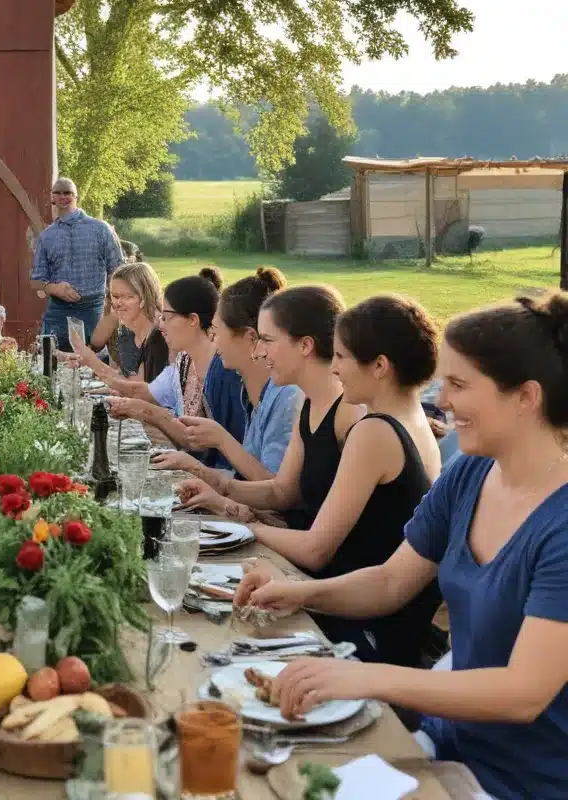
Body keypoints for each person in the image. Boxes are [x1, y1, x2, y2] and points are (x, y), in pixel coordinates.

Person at [235, 292, 568, 800]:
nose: (442, 401)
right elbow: (391, 581)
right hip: (446, 741)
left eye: (458, 385)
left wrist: (368, 679)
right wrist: (298, 592)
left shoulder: (561, 523)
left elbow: (522, 693)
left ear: (526, 396)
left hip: (522, 781)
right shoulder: (470, 474)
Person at [183, 291, 443, 666]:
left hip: (359, 622)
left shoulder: (373, 430)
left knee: (211, 634)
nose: (334, 369)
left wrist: (243, 522)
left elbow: (317, 550)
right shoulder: (394, 415)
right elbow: (283, 491)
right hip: (346, 597)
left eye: (341, 357)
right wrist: (219, 490)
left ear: (381, 366)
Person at [153, 266, 300, 480]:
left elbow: (274, 490)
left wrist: (211, 451)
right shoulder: (250, 391)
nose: (214, 339)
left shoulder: (283, 395)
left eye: (217, 331)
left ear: (250, 338)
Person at [109, 269, 245, 459]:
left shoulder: (224, 370)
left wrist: (147, 411)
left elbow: (201, 446)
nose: (161, 325)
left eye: (167, 317)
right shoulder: (185, 360)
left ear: (192, 320)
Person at [30, 178, 124, 350]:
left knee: (95, 363)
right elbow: (35, 281)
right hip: (58, 310)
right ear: (52, 197)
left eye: (67, 192)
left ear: (76, 196)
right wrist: (55, 288)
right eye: (58, 192)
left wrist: (114, 304)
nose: (62, 196)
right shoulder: (46, 236)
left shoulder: (100, 229)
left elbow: (118, 270)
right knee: (51, 361)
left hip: (93, 309)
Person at [71, 262, 169, 382]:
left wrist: (92, 361)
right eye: (115, 296)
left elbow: (140, 390)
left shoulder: (161, 334)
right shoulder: (125, 330)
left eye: (128, 297)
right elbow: (125, 377)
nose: (118, 303)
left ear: (145, 296)